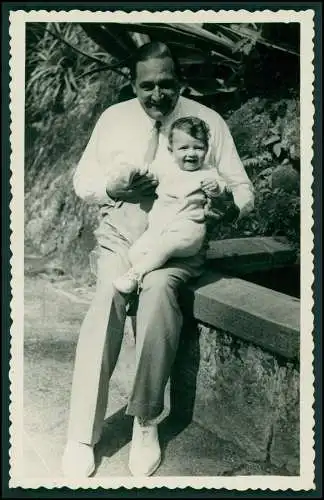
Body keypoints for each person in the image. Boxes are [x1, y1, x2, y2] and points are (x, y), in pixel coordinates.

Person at [62, 41, 254, 478]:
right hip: (121, 235)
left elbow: (242, 189)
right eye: (146, 86)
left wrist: (225, 206)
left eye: (166, 84)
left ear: (180, 81)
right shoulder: (114, 118)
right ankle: (80, 434)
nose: (156, 95)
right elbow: (83, 179)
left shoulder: (209, 122)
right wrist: (114, 191)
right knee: (106, 301)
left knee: (158, 297)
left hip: (177, 242)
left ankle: (145, 420)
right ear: (133, 83)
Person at [113, 116, 228, 294]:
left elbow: (222, 190)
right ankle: (144, 277)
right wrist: (134, 172)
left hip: (187, 231)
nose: (191, 153)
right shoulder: (166, 169)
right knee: (135, 252)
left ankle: (136, 274)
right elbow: (148, 173)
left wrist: (215, 189)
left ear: (206, 149)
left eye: (198, 147)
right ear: (171, 150)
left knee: (166, 246)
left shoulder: (208, 172)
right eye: (183, 148)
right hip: (159, 229)